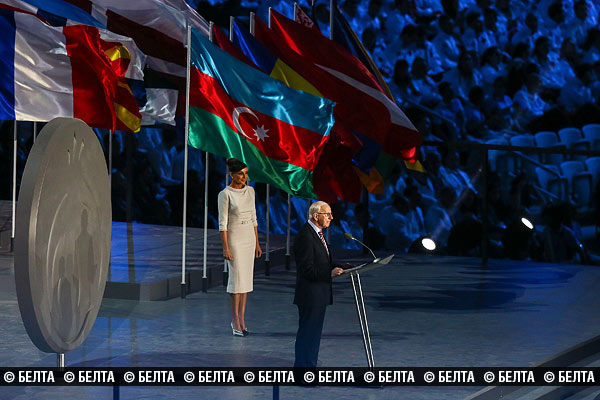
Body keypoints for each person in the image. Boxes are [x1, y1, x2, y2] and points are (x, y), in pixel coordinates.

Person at [293, 201, 344, 367]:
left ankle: (309, 368)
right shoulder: (306, 236)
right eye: (327, 214)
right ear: (316, 216)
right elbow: (307, 269)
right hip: (310, 295)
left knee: (314, 335)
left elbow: (323, 261)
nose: (331, 217)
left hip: (319, 294)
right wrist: (329, 273)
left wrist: (342, 266)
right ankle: (302, 371)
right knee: (308, 335)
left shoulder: (318, 234)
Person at [218, 158, 262, 337]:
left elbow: (254, 218)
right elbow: (223, 223)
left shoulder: (250, 191)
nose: (244, 177)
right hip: (235, 239)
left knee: (246, 282)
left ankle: (243, 319)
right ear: (232, 175)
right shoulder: (225, 194)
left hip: (249, 238)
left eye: (246, 173)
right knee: (236, 280)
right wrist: (225, 248)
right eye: (240, 174)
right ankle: (235, 319)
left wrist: (257, 243)